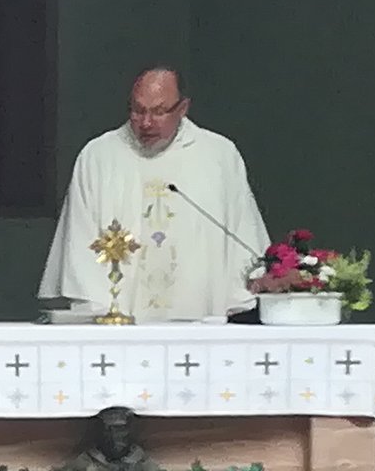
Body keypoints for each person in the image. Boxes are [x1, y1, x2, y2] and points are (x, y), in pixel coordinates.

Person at [38, 67, 271, 322]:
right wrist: (98, 312)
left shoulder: (219, 155)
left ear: (183, 108)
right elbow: (80, 241)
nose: (146, 123)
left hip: (199, 319)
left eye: (159, 112)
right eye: (138, 111)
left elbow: (241, 231)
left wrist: (246, 290)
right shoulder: (99, 156)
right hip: (121, 324)